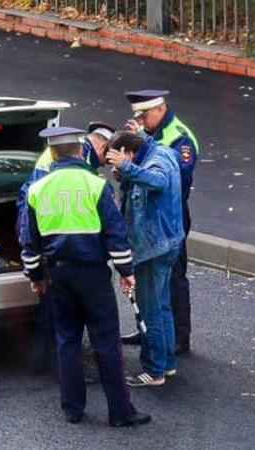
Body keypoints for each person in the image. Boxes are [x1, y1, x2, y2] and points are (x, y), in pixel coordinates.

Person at [21, 126, 150, 427]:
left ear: (52, 153)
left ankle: (73, 408)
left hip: (59, 275)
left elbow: (31, 241)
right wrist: (126, 272)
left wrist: (36, 275)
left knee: (66, 340)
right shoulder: (96, 185)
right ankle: (120, 411)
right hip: (92, 275)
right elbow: (116, 235)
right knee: (106, 342)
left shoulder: (38, 190)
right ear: (79, 151)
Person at [15, 122, 115, 374]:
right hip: (58, 244)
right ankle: (56, 365)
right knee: (57, 312)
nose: (109, 161)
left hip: (48, 239)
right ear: (97, 145)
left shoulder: (63, 153)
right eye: (109, 154)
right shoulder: (80, 160)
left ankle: (44, 361)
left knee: (54, 309)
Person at [122, 90, 199, 355]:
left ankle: (178, 336)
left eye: (144, 116)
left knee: (173, 277)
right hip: (146, 214)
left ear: (160, 109)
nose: (141, 122)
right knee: (144, 275)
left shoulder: (180, 137)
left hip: (169, 215)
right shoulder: (151, 133)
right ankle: (148, 330)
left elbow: (176, 178)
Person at [106, 131, 184, 387]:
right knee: (162, 306)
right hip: (167, 243)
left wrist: (126, 168)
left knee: (149, 309)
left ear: (128, 152)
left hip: (153, 249)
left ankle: (154, 370)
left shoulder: (152, 163)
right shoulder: (158, 152)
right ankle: (167, 363)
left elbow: (158, 182)